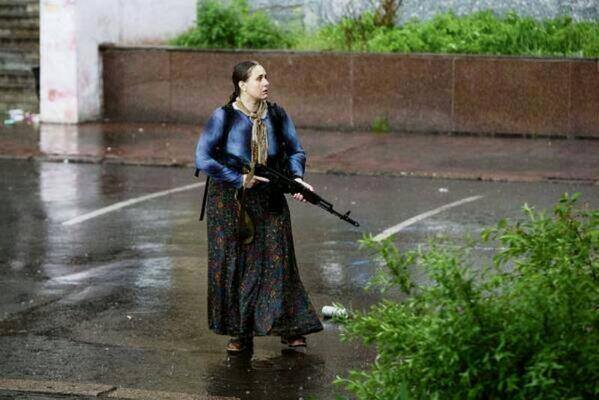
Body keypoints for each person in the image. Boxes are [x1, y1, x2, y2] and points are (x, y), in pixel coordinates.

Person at [195, 60, 323, 353]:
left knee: (279, 260)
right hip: (229, 200)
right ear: (242, 84)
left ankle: (289, 327)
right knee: (236, 264)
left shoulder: (276, 114)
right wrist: (239, 179)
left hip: (269, 194)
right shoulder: (223, 117)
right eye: (259, 78)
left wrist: (296, 180)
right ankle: (240, 333)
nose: (266, 83)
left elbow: (295, 151)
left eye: (267, 77)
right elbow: (203, 158)